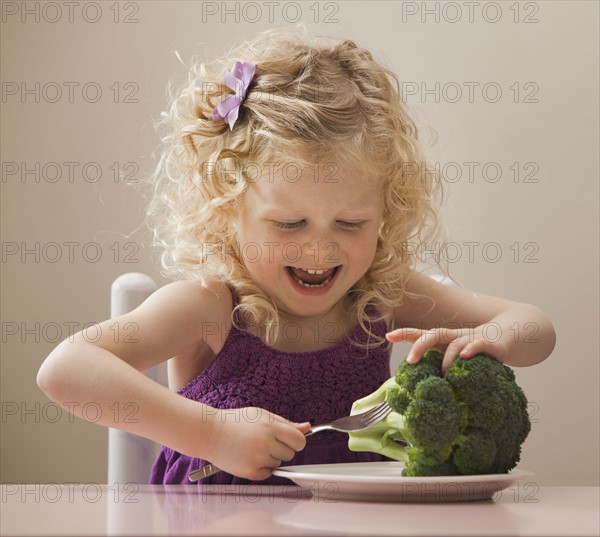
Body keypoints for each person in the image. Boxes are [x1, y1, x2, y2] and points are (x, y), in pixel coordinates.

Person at [37, 29, 556, 485]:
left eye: (351, 224)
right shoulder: (209, 308)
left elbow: (535, 327)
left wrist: (492, 338)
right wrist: (211, 433)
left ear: (386, 212)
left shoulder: (381, 298)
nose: (319, 248)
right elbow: (65, 371)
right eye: (289, 223)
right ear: (227, 206)